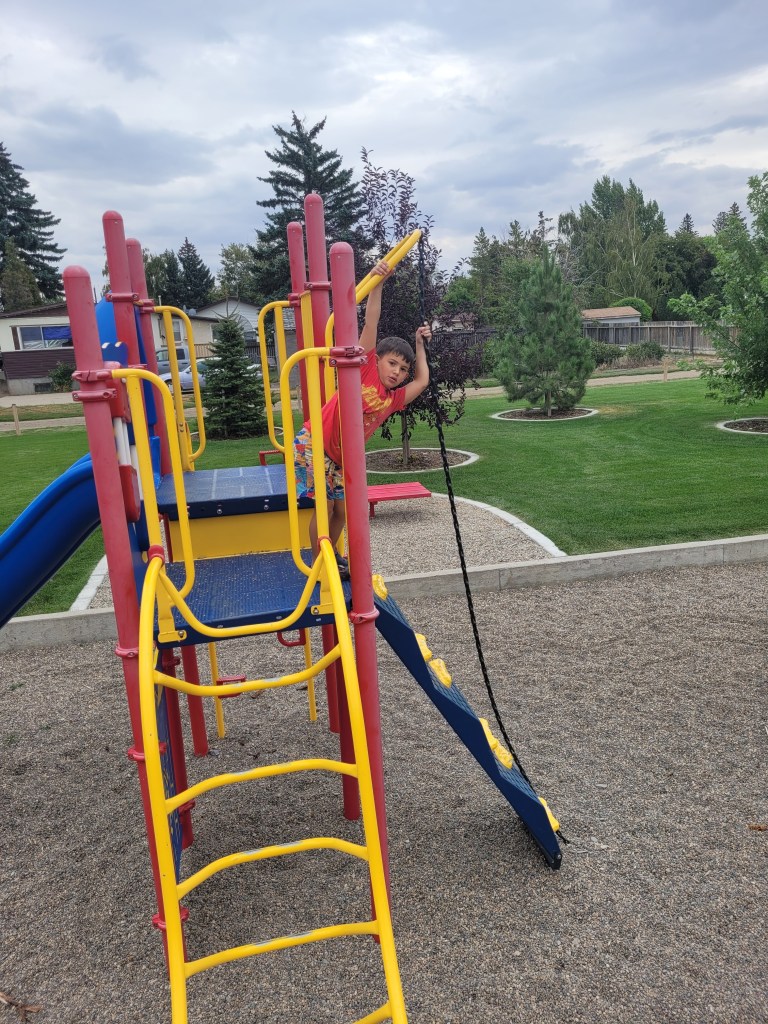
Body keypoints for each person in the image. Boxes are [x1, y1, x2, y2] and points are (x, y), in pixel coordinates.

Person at [293, 260, 432, 579]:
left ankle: (332, 555)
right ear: (377, 360)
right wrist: (377, 282)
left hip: (341, 458)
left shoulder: (393, 399)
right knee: (326, 507)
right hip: (314, 443)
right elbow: (372, 321)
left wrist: (420, 344)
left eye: (402, 369)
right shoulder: (363, 366)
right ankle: (319, 563)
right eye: (392, 363)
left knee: (342, 511)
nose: (397, 372)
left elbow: (423, 380)